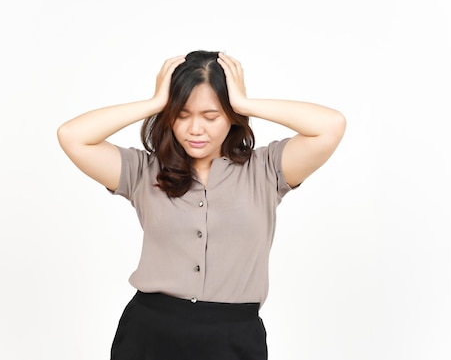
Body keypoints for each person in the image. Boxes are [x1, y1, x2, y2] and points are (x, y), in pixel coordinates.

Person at [57, 50, 346, 360]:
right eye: (182, 115)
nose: (195, 129)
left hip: (234, 338)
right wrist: (155, 103)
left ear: (232, 116)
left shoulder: (266, 170)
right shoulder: (143, 171)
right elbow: (72, 136)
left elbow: (330, 126)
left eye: (211, 116)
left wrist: (247, 103)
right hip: (149, 335)